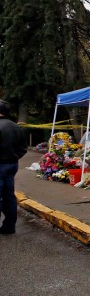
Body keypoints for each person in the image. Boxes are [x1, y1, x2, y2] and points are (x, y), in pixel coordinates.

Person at [0, 100, 27, 235]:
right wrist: (15, 156)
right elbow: (23, 148)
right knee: (9, 195)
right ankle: (9, 226)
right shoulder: (16, 127)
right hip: (12, 164)